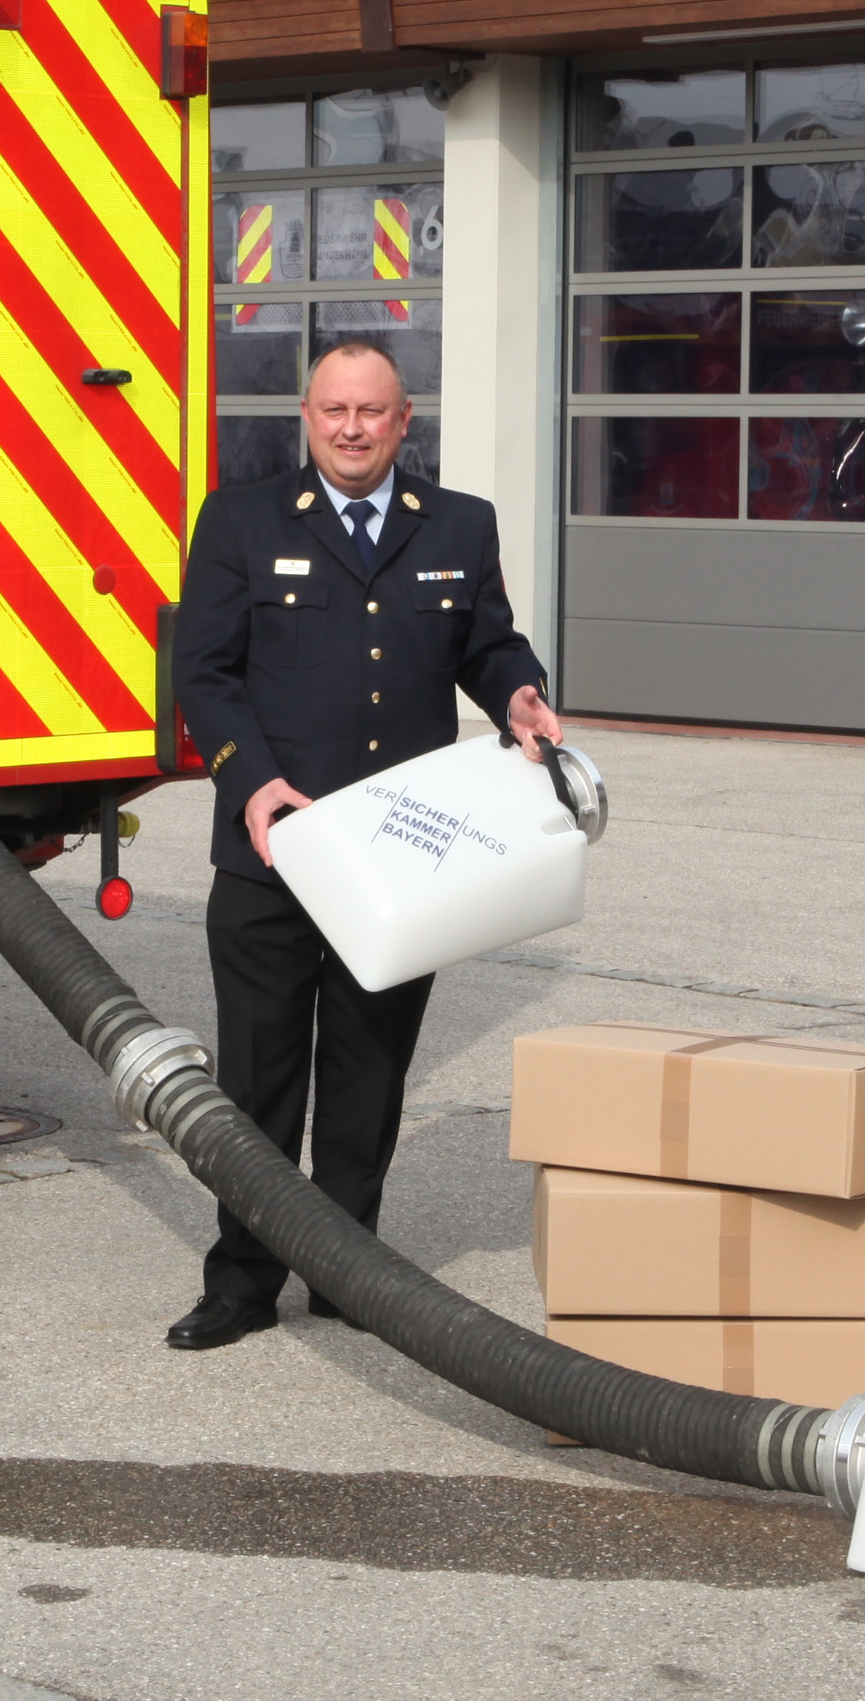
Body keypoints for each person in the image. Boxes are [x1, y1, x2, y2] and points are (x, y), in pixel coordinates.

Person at [163, 336, 560, 1350]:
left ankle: (346, 1272)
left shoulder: (460, 524)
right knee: (256, 1080)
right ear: (307, 415)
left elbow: (488, 642)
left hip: (398, 860)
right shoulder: (241, 520)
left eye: (371, 412)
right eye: (334, 409)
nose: (351, 427)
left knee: (366, 1074)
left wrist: (518, 690)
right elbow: (204, 672)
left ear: (403, 420)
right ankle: (243, 1279)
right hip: (274, 853)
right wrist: (251, 782)